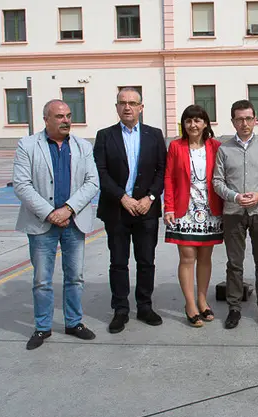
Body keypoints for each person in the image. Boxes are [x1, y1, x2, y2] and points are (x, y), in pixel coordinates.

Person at [12, 99, 100, 350]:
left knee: (76, 277)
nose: (66, 121)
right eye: (60, 116)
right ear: (46, 120)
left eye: (69, 116)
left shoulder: (83, 146)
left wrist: (68, 209)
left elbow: (92, 182)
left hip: (74, 222)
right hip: (42, 224)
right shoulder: (28, 145)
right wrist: (50, 213)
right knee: (42, 279)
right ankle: (42, 327)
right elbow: (21, 185)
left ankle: (74, 322)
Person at [93, 87, 167, 333]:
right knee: (118, 262)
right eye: (123, 103)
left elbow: (161, 170)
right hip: (116, 210)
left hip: (147, 209)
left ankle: (145, 306)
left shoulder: (154, 135)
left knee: (146, 261)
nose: (127, 107)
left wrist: (150, 197)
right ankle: (120, 309)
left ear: (141, 107)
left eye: (133, 103)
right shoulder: (105, 136)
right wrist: (122, 197)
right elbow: (100, 172)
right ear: (116, 107)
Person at [213, 100, 258, 329]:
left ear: (255, 120)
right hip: (233, 212)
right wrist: (233, 196)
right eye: (239, 119)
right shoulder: (224, 149)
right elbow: (217, 181)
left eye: (249, 118)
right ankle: (234, 307)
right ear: (233, 121)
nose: (244, 123)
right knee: (234, 263)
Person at [163, 105, 224, 327]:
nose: (193, 125)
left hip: (210, 210)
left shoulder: (215, 146)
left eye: (198, 120)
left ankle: (202, 299)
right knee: (187, 257)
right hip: (183, 210)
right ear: (184, 124)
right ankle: (190, 304)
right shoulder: (176, 147)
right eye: (189, 121)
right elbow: (168, 177)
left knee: (206, 257)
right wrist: (168, 206)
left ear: (205, 123)